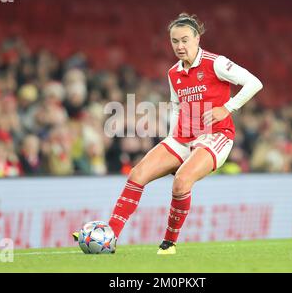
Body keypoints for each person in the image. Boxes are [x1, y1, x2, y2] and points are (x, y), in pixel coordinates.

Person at [74, 13, 263, 254]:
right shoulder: (173, 73)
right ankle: (108, 235)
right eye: (175, 41)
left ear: (197, 38)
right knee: (137, 174)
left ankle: (169, 242)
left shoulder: (215, 63)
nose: (180, 46)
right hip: (183, 137)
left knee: (181, 182)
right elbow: (176, 105)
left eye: (185, 40)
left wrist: (227, 108)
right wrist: (173, 137)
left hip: (216, 136)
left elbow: (254, 83)